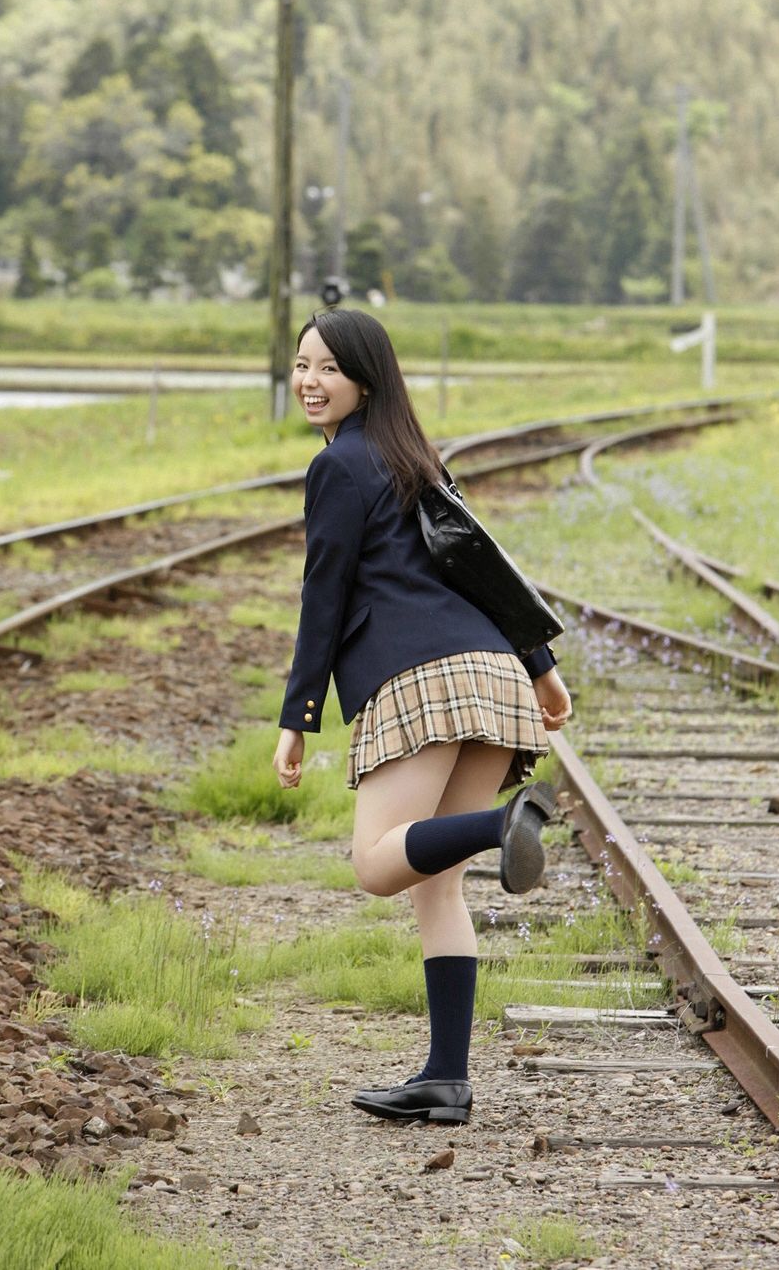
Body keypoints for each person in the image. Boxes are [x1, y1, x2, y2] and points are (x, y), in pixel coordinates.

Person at [273, 309, 572, 1126]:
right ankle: (446, 1079)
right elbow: (482, 566)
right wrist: (541, 669)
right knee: (436, 885)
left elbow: (324, 594)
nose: (310, 382)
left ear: (366, 381)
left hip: (421, 677)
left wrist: (298, 716)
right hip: (491, 674)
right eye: (302, 365)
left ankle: (504, 823)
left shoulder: (338, 466)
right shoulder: (414, 455)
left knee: (377, 865)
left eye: (329, 369)